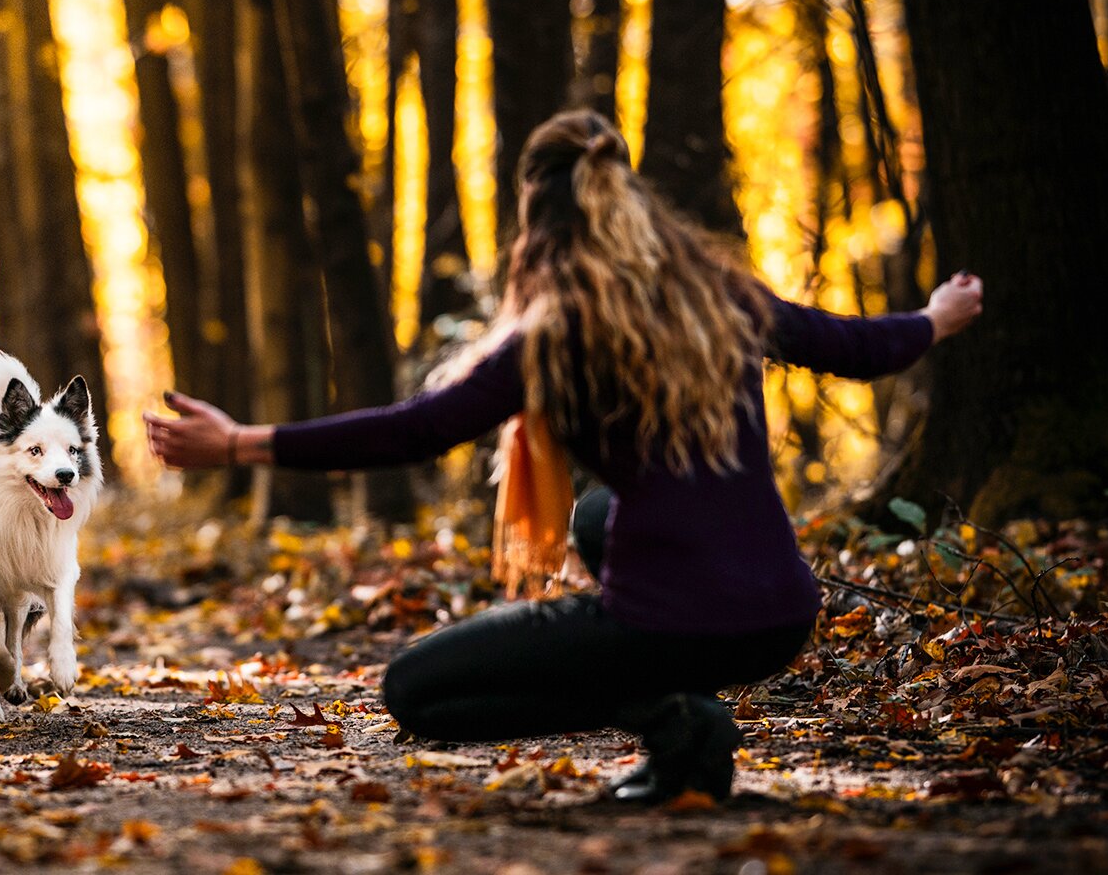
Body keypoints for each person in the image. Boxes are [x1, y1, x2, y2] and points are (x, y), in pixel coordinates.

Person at [144, 109, 984, 803]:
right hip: (781, 616)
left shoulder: (557, 333)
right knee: (598, 513)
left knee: (416, 690)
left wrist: (238, 444)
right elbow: (856, 345)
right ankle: (682, 713)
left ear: (534, 223)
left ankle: (674, 717)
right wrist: (937, 317)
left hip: (670, 617)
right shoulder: (719, 296)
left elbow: (415, 430)